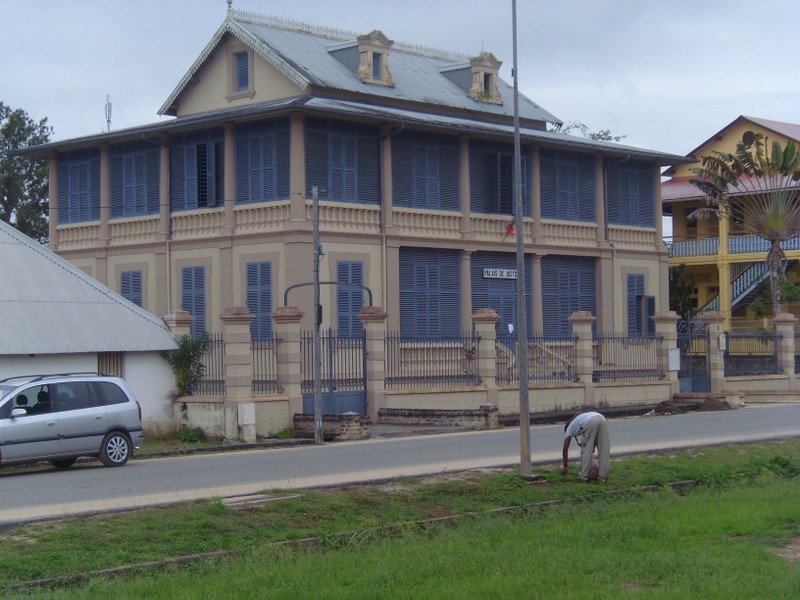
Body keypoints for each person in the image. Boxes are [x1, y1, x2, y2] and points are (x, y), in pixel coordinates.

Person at [561, 411, 610, 481]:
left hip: (590, 421)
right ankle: (603, 477)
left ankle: (583, 476)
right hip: (602, 419)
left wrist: (565, 465)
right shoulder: (579, 420)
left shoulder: (569, 429)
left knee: (586, 451)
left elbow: (565, 448)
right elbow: (594, 436)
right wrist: (593, 446)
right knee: (604, 449)